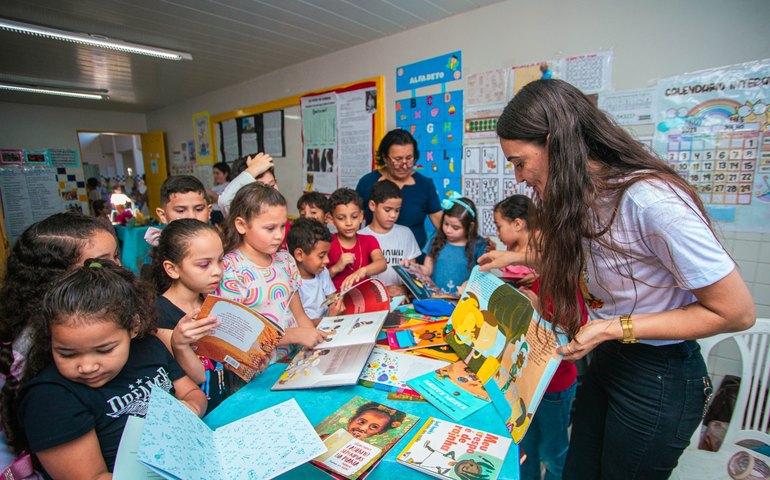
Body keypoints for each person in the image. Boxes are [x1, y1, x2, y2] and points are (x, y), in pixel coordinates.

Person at [478, 79, 755, 479]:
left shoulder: (651, 200)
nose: (519, 177)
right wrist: (521, 259)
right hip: (613, 360)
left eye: (520, 161)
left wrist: (612, 327)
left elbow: (736, 312)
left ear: (556, 143)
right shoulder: (584, 196)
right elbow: (597, 259)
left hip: (660, 375)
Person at [7, 261, 207, 478]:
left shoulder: (148, 347)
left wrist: (191, 409)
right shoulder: (50, 399)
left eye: (104, 350)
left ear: (134, 327)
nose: (87, 366)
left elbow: (192, 393)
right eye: (67, 353)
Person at [0, 213, 119, 475]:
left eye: (116, 257)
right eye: (101, 264)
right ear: (56, 276)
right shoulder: (38, 348)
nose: (119, 268)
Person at [494, 195, 582, 480]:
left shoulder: (567, 283)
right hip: (528, 380)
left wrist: (537, 308)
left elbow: (567, 336)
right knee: (526, 448)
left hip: (554, 384)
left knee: (554, 454)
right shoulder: (544, 277)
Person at [216, 183, 328, 365]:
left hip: (293, 360)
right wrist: (293, 335)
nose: (279, 235)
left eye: (283, 226)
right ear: (242, 225)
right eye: (270, 228)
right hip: (258, 369)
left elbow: (299, 315)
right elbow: (236, 336)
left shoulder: (285, 261)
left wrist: (316, 347)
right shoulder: (230, 269)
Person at [152, 219, 228, 413]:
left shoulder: (211, 302)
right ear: (173, 269)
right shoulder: (159, 314)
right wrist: (180, 344)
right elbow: (197, 377)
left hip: (224, 402)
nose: (217, 271)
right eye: (204, 265)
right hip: (199, 411)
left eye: (220, 260)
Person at [355, 129, 442, 251]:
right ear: (385, 158)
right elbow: (354, 219)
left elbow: (442, 225)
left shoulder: (425, 185)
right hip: (374, 256)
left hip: (412, 260)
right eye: (398, 159)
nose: (404, 165)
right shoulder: (367, 182)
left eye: (409, 158)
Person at [360, 179, 420, 296]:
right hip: (373, 300)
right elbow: (359, 279)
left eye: (397, 210)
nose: (393, 215)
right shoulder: (361, 236)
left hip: (401, 300)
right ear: (372, 205)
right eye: (387, 210)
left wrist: (403, 290)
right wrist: (385, 291)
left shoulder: (405, 234)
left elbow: (412, 275)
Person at [420, 195, 486, 294]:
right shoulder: (436, 238)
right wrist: (415, 269)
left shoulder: (479, 245)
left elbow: (483, 275)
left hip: (464, 301)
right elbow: (427, 269)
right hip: (436, 298)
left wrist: (469, 284)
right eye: (445, 224)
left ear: (470, 227)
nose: (448, 230)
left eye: (455, 228)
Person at [327, 188, 387, 292]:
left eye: (354, 217)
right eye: (341, 218)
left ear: (361, 217)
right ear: (331, 219)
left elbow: (382, 263)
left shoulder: (368, 240)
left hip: (364, 300)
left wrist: (362, 271)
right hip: (336, 303)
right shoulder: (327, 242)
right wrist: (336, 268)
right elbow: (316, 279)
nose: (349, 223)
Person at [286, 218, 344, 322]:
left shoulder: (322, 272)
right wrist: (329, 318)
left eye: (327, 254)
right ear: (300, 255)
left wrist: (338, 304)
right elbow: (300, 325)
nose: (327, 260)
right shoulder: (290, 282)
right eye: (321, 256)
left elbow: (332, 299)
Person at [493, 195, 537, 287]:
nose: (497, 233)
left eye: (499, 227)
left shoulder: (539, 250)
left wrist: (541, 278)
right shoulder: (511, 246)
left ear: (517, 224)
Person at [217, 153, 275, 217]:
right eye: (260, 188)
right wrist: (253, 169)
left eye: (272, 185)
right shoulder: (244, 215)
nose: (269, 193)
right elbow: (224, 201)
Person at [208, 162, 231, 227]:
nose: (215, 176)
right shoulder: (214, 188)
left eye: (217, 173)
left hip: (221, 214)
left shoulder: (229, 186)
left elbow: (222, 200)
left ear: (225, 174)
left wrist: (210, 192)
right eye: (214, 173)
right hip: (213, 213)